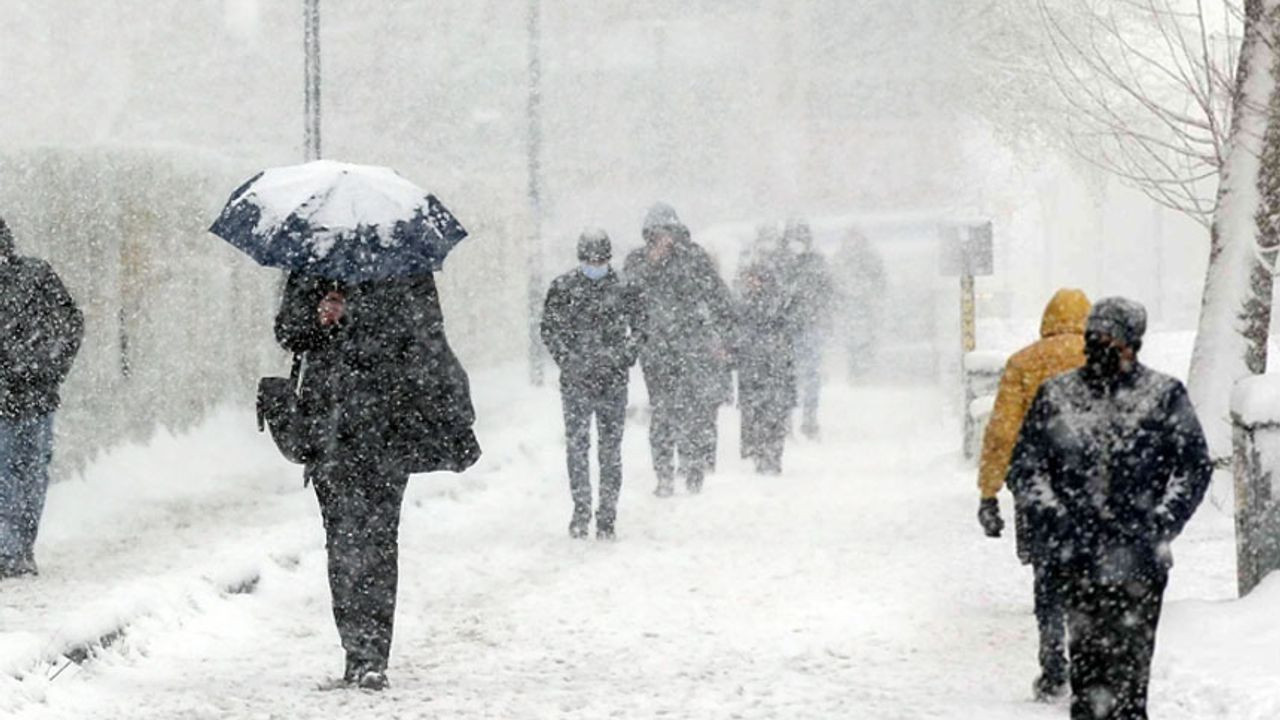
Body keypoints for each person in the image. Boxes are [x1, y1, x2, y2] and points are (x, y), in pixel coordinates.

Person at [1007, 297, 1212, 720]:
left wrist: (1161, 523)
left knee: (1132, 677)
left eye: (1110, 337)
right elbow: (1026, 467)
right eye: (1093, 335)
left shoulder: (1163, 396)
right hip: (1078, 559)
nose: (1098, 344)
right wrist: (1056, 519)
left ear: (1133, 342)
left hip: (1139, 563)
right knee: (1088, 676)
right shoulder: (1058, 395)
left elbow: (1193, 467)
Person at [275, 270, 479, 691]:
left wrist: (359, 317)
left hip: (388, 427)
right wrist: (318, 319)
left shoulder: (408, 270)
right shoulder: (312, 266)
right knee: (342, 540)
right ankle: (356, 650)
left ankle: (373, 656)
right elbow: (288, 332)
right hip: (328, 429)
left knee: (379, 540)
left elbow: (426, 338)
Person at [976, 288, 1091, 700]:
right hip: (1094, 486)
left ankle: (1053, 664)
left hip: (1038, 484)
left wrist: (988, 493)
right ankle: (1091, 660)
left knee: (1048, 574)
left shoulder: (1025, 362)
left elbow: (1003, 432)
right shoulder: (1104, 359)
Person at [624, 203, 735, 497]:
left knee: (692, 410)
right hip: (656, 351)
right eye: (656, 233)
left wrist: (725, 338)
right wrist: (651, 264)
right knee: (662, 412)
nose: (663, 238)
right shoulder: (637, 260)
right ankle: (663, 473)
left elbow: (718, 296)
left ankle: (693, 466)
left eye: (667, 232)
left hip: (691, 347)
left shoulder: (693, 257)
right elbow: (627, 296)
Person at [540, 229, 641, 540]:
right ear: (580, 258)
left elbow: (641, 327)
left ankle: (607, 514)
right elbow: (549, 330)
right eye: (589, 259)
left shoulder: (625, 288)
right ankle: (581, 509)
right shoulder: (563, 288)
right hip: (577, 382)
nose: (594, 265)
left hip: (613, 381)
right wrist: (569, 360)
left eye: (600, 259)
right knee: (577, 447)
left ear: (609, 259)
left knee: (610, 450)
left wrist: (624, 355)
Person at [0, 216, 84, 579]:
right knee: (23, 475)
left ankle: (14, 550)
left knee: (25, 475)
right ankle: (13, 551)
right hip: (33, 396)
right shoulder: (37, 275)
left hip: (32, 397)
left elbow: (69, 326)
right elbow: (70, 327)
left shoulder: (35, 276)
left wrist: (42, 366)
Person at [735, 259, 797, 474]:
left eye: (755, 278)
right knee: (758, 414)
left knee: (770, 414)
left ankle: (769, 454)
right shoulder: (747, 303)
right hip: (757, 368)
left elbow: (786, 332)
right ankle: (762, 454)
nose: (751, 283)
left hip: (770, 368)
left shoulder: (775, 304)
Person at [780, 218, 833, 439]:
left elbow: (828, 292)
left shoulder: (816, 263)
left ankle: (809, 420)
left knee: (810, 376)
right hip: (788, 328)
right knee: (787, 377)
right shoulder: (782, 263)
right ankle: (788, 421)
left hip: (809, 326)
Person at [832, 231, 886, 379]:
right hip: (850, 305)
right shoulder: (841, 259)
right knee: (853, 340)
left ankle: (864, 368)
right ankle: (857, 369)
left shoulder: (869, 258)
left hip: (865, 305)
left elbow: (879, 280)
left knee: (866, 338)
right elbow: (834, 282)